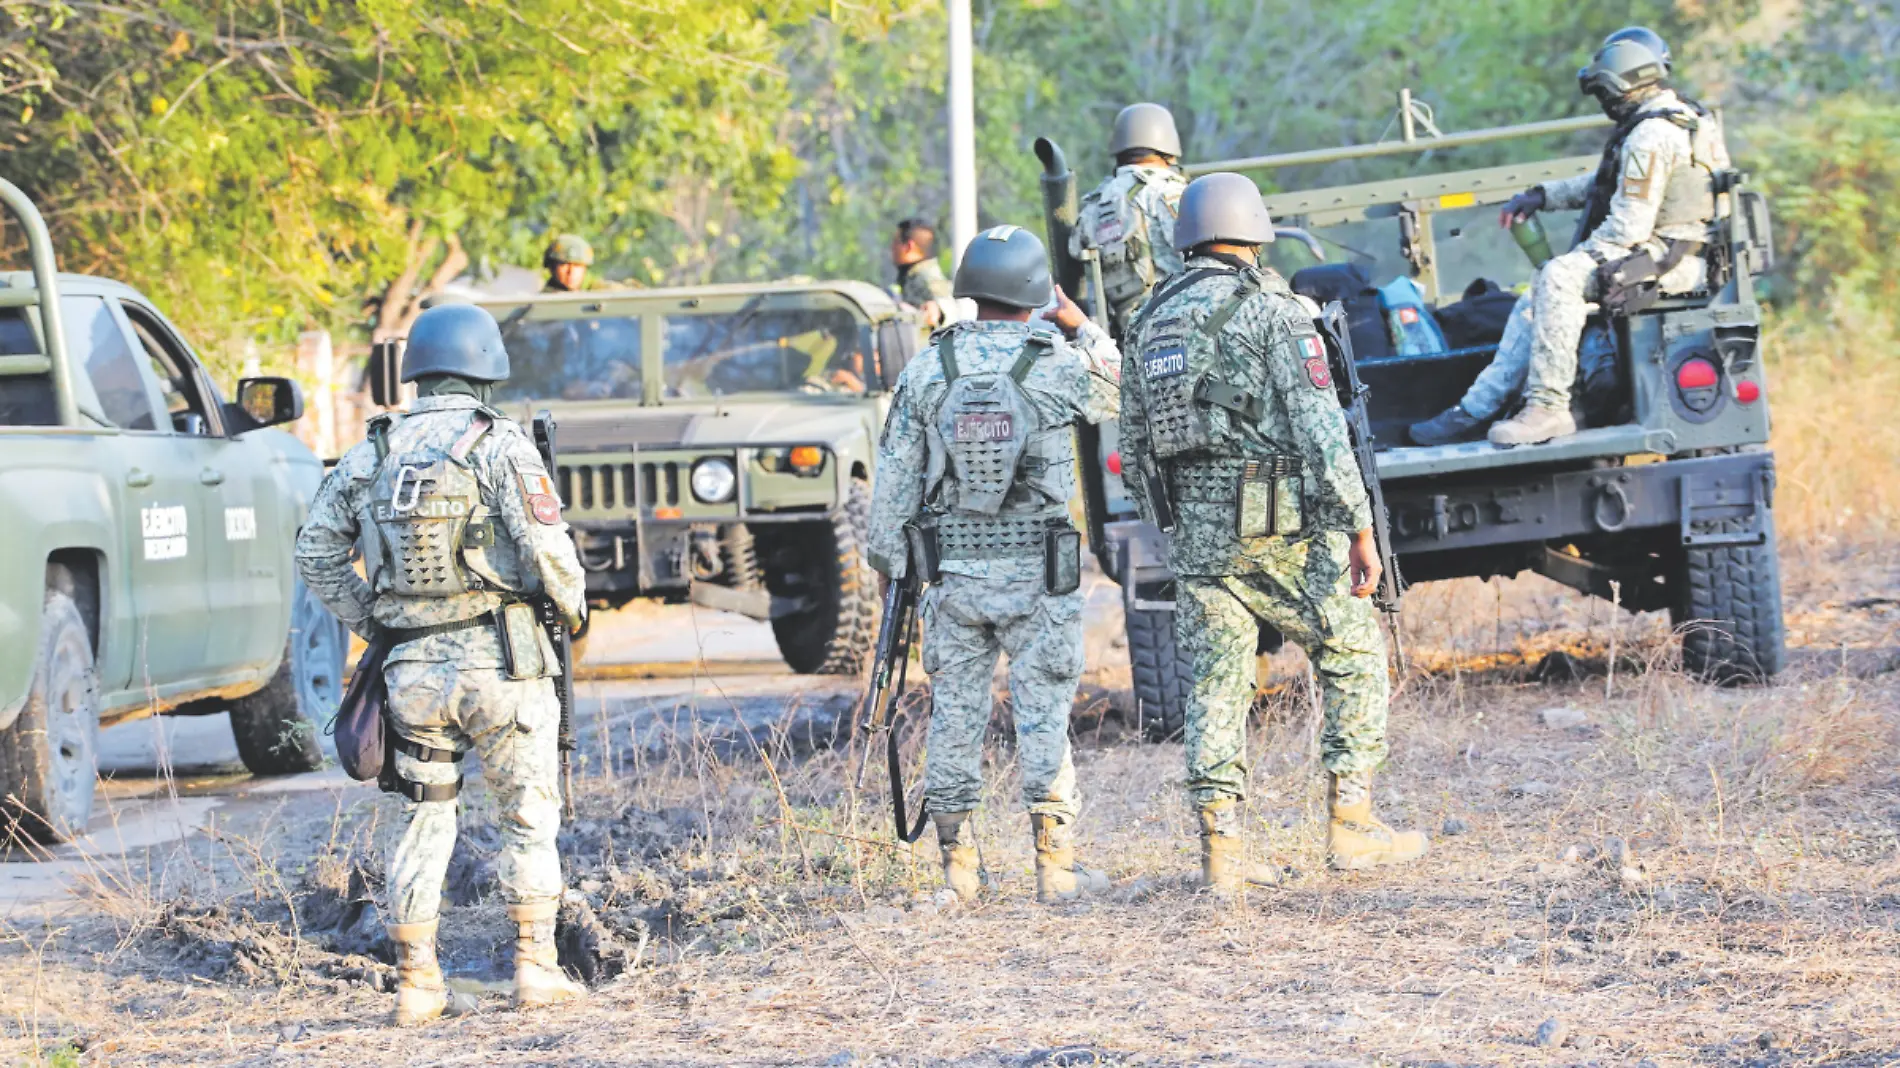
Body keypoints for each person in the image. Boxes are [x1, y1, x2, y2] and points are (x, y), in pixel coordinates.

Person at [1121, 173, 1428, 895]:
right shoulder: (1275, 311)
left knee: (1215, 689)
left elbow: (1134, 446)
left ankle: (1222, 857)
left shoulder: (1147, 321)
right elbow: (1322, 430)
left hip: (1196, 536)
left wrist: (1172, 521)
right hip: (1280, 525)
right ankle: (1351, 824)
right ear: (1254, 230)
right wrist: (1358, 525)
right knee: (1352, 652)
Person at [295, 303, 588, 1025]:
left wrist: (375, 620)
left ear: (417, 369)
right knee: (527, 818)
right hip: (506, 665)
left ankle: (419, 983)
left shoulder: (374, 449)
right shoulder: (500, 443)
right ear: (486, 364)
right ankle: (534, 968)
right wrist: (572, 610)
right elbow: (549, 550)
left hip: (412, 675)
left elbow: (315, 553)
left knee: (424, 822)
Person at [867, 224, 1122, 904]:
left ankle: (957, 872)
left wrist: (896, 567)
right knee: (1044, 712)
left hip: (952, 578)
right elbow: (1119, 388)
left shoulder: (929, 367)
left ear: (969, 289)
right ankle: (1056, 869)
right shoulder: (1055, 360)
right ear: (1037, 292)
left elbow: (892, 487)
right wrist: (1083, 325)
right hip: (1041, 575)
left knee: (953, 715)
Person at [1409, 27, 1732, 448]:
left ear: (1622, 81)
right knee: (1539, 294)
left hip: (1672, 261)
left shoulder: (1652, 135)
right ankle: (1474, 408)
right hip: (1676, 254)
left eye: (1603, 91)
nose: (1603, 102)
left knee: (1558, 277)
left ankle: (1547, 408)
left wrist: (1574, 264)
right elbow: (1608, 184)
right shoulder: (1680, 119)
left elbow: (1627, 229)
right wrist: (1542, 196)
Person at [1071, 102, 1189, 339]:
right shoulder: (1167, 193)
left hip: (1125, 337)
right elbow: (1204, 256)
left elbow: (1075, 250)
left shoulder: (1094, 205)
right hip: (1180, 330)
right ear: (1170, 150)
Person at [890, 218, 962, 330]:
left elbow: (948, 307)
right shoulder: (911, 275)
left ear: (909, 246)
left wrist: (938, 311)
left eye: (896, 242)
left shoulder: (927, 276)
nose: (892, 247)